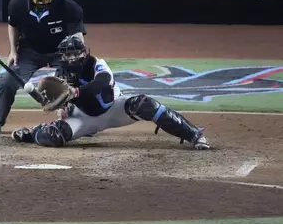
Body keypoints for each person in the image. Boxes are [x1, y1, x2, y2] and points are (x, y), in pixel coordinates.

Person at [11, 34, 211, 150]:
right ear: (62, 56)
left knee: (144, 104)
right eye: (68, 54)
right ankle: (32, 133)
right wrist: (61, 108)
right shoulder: (59, 74)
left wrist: (75, 92)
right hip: (85, 118)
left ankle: (194, 135)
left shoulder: (96, 63)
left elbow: (103, 83)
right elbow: (60, 100)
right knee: (51, 137)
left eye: (76, 53)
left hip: (115, 108)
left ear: (84, 53)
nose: (72, 58)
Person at [0, 0, 86, 134]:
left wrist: (77, 61)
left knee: (70, 84)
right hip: (30, 50)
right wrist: (13, 51)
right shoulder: (18, 3)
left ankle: (79, 122)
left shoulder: (68, 6)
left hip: (61, 52)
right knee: (7, 81)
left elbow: (78, 34)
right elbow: (13, 26)